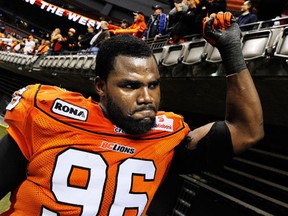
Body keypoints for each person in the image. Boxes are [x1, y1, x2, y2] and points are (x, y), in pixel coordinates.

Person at [0, 12, 264, 215]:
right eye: (130, 86)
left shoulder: (167, 136)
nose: (147, 97)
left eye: (153, 85)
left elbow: (247, 130)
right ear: (100, 86)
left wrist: (231, 53)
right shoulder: (49, 114)